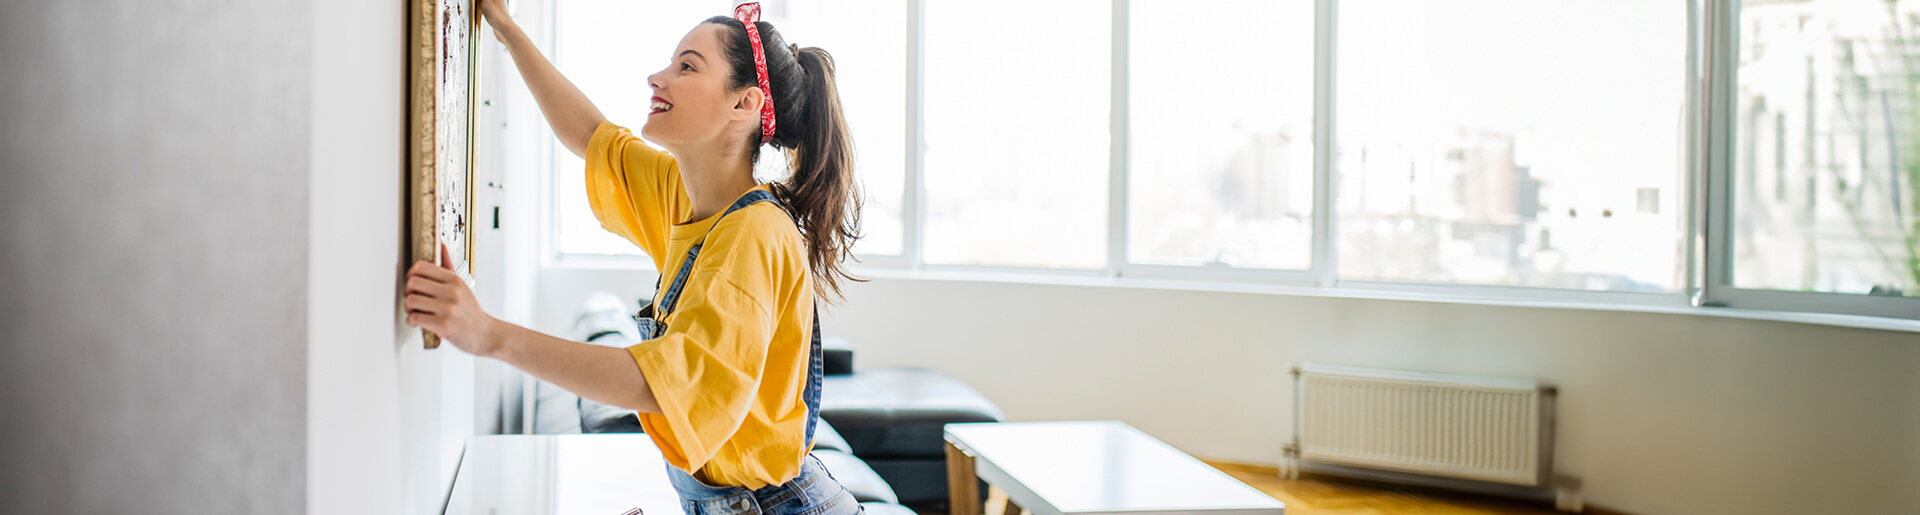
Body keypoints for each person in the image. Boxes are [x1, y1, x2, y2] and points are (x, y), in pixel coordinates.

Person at [402, 1, 865, 513]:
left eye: (686, 66)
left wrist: (488, 334)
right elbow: (591, 136)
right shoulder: (685, 197)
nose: (656, 77)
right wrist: (506, 28)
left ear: (744, 105)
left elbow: (666, 383)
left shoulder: (754, 233)